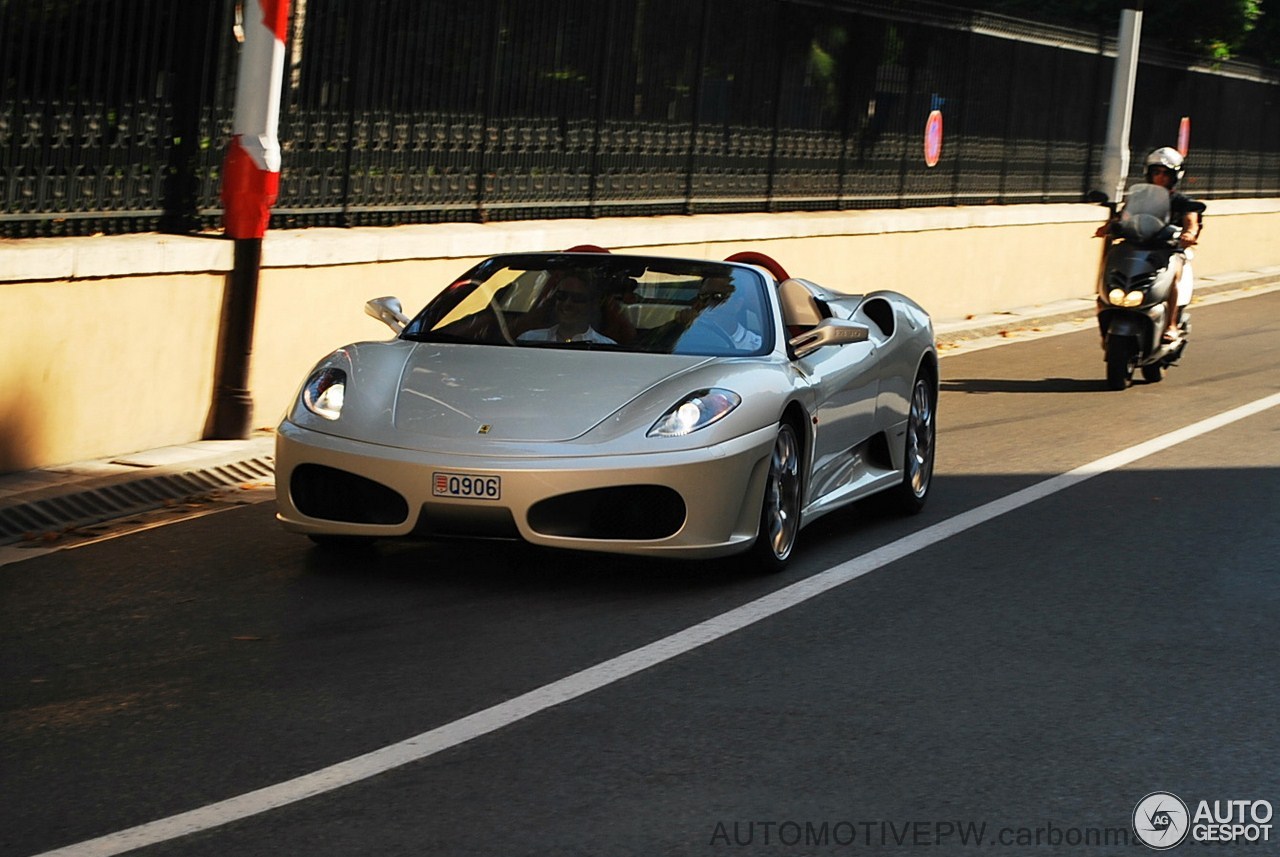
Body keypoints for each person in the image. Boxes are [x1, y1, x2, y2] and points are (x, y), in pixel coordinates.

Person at [1096, 147, 1205, 343]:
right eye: (1156, 172)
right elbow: (1124, 217)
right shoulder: (1138, 198)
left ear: (1175, 176)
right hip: (1137, 245)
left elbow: (1192, 221)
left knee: (1174, 274)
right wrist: (1109, 227)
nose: (1160, 177)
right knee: (1112, 268)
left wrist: (1189, 233)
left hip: (1168, 249)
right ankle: (1106, 309)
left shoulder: (1182, 202)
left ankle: (1171, 324)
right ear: (1149, 173)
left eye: (1166, 173)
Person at [517, 272, 617, 344]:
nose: (567, 304)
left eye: (577, 298)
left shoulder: (608, 347)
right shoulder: (529, 340)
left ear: (591, 304)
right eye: (562, 296)